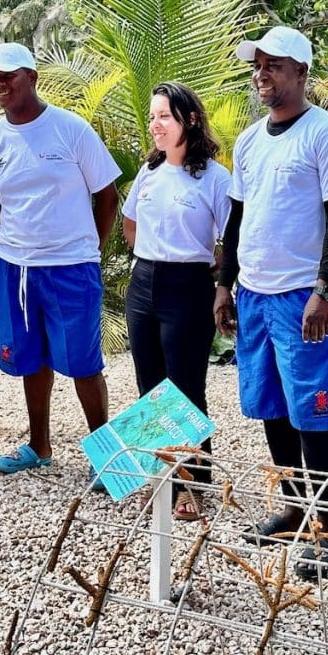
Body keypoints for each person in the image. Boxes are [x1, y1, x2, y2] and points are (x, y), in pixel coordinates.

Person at [213, 27, 328, 579]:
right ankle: (295, 510)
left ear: (301, 72)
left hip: (303, 297)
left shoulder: (326, 135)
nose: (263, 73)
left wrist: (325, 290)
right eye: (259, 65)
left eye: (274, 65)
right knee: (271, 408)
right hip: (254, 294)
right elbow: (237, 217)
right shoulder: (251, 140)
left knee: (312, 416)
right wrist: (226, 285)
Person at [0, 42, 121, 475]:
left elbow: (107, 195)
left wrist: (90, 249)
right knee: (31, 358)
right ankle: (39, 445)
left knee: (82, 362)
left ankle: (106, 458)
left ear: (32, 78)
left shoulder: (70, 129)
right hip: (15, 268)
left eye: (8, 77)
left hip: (72, 267)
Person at [122, 82, 231, 519]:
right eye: (152, 117)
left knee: (185, 389)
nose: (155, 125)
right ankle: (158, 476)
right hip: (145, 282)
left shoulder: (215, 178)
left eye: (163, 116)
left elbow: (231, 240)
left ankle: (192, 485)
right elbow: (131, 223)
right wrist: (149, 258)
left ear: (190, 120)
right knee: (149, 387)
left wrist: (216, 280)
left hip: (189, 285)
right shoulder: (149, 172)